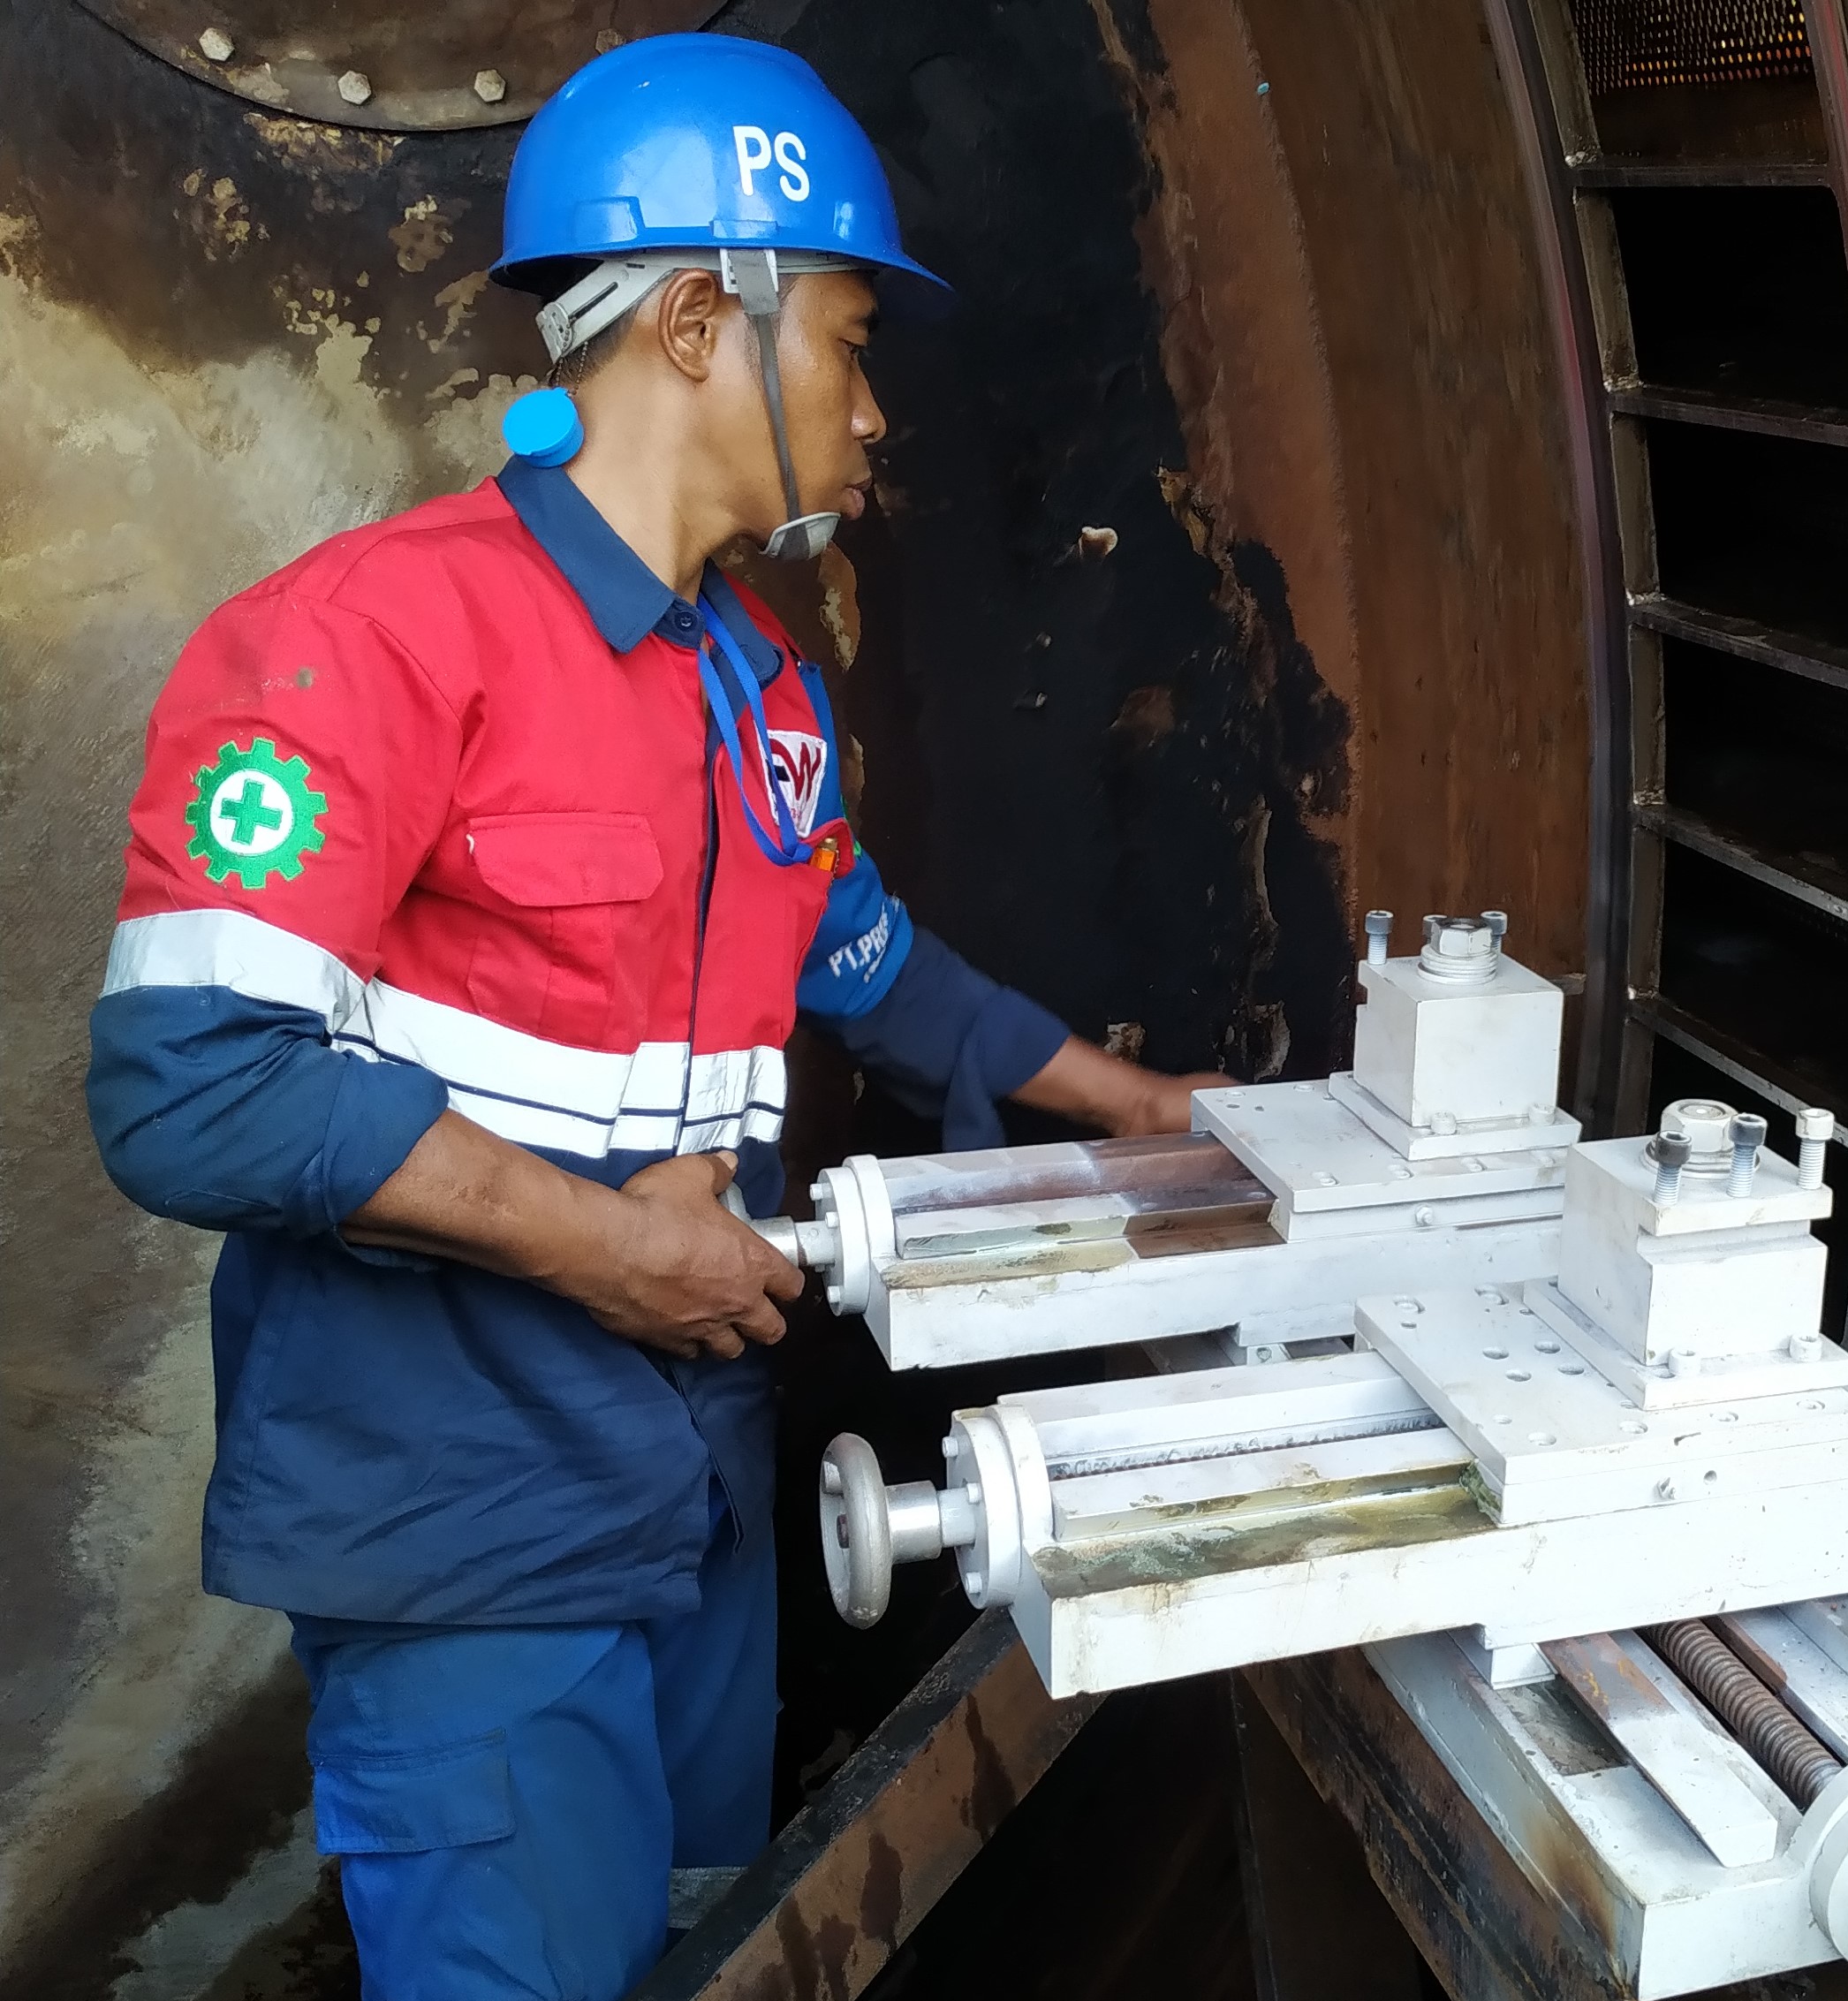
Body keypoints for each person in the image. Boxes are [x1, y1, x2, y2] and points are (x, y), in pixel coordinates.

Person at [84, 35, 1223, 2000]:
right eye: (849, 344)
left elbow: (863, 961)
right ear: (704, 320)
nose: (874, 410)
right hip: (469, 1525)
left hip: (690, 1492)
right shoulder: (366, 637)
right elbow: (188, 1084)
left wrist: (1143, 1104)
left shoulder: (753, 679)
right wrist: (605, 1250)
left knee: (705, 1943)